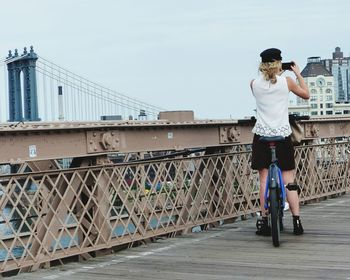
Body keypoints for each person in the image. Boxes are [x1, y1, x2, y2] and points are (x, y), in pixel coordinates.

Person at [250, 48, 309, 236]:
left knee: (264, 180)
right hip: (282, 136)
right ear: (279, 64)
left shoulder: (253, 84)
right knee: (289, 181)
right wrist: (297, 73)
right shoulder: (287, 82)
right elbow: (306, 94)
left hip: (261, 136)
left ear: (262, 65)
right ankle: (297, 222)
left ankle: (265, 221)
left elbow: (268, 84)